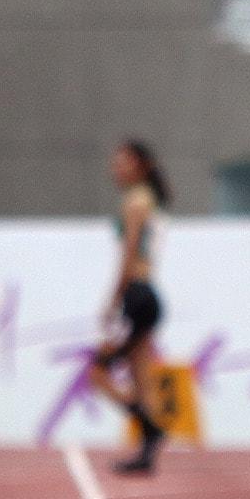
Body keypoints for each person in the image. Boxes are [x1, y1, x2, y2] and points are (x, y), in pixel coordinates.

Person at [88, 140, 169, 474]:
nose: (116, 168)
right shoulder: (148, 200)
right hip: (146, 294)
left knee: (98, 371)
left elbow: (129, 254)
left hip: (137, 294)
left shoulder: (135, 201)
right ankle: (147, 453)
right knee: (141, 375)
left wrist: (114, 298)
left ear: (141, 165)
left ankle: (151, 428)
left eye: (123, 162)